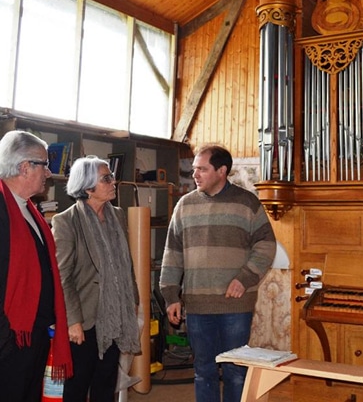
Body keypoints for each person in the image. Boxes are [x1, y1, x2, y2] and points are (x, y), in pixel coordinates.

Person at [160, 144, 276, 402]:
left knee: (235, 371)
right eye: (194, 169)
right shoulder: (184, 205)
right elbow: (173, 253)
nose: (195, 175)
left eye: (202, 169)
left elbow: (266, 245)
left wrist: (244, 278)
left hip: (235, 304)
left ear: (222, 171)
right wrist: (170, 295)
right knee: (203, 370)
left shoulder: (247, 203)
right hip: (198, 306)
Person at [51, 155, 140, 402]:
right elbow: (62, 274)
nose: (113, 182)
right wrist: (73, 321)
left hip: (114, 315)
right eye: (106, 178)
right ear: (88, 187)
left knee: (106, 383)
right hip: (85, 317)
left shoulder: (118, 215)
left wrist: (132, 297)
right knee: (77, 387)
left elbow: (125, 262)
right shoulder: (66, 221)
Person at [0, 130, 73, 402]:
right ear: (24, 167)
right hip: (13, 340)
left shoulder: (29, 209)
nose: (50, 173)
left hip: (36, 333)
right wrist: (5, 341)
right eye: (44, 164)